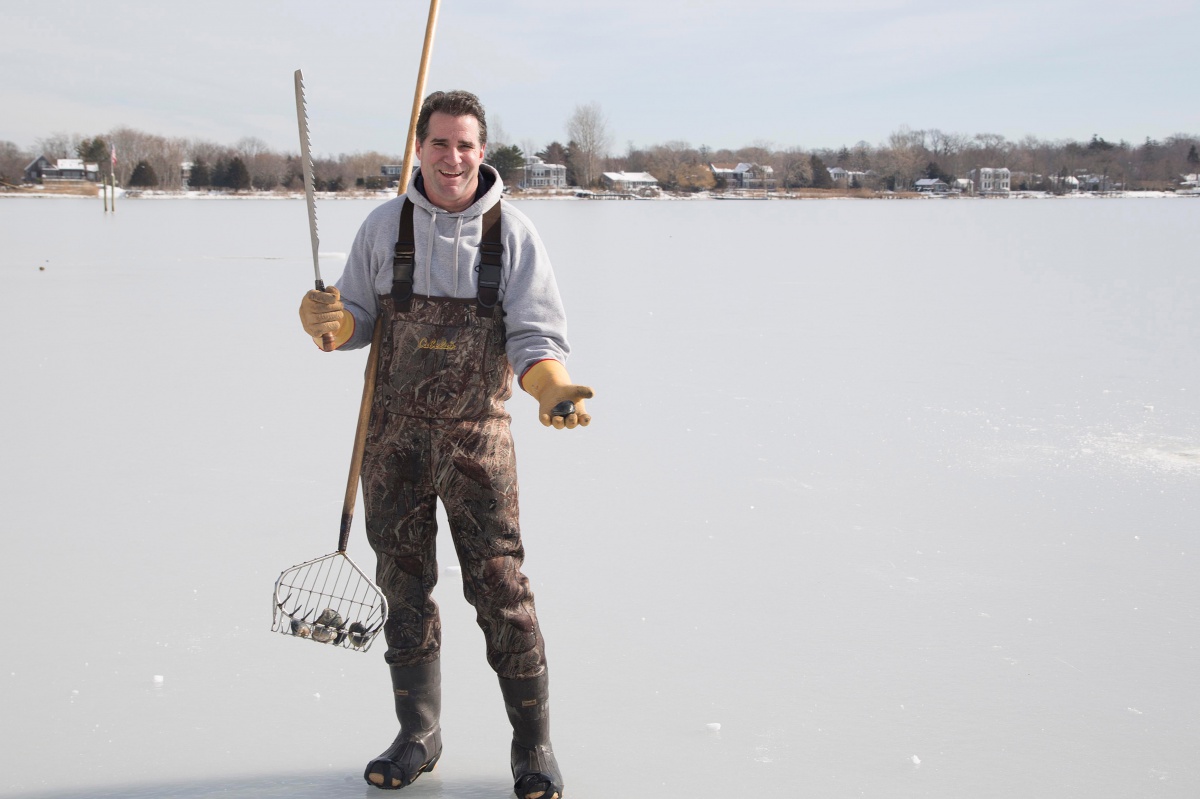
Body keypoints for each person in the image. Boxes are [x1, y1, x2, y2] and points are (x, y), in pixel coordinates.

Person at [298, 90, 591, 799]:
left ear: (481, 151)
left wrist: (551, 385)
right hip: (392, 439)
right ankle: (417, 734)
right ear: (419, 148)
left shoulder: (512, 234)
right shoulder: (383, 226)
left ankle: (534, 745)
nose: (451, 157)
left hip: (477, 443)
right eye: (439, 143)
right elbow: (356, 319)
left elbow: (534, 336)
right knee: (402, 585)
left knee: (501, 587)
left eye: (465, 144)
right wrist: (324, 323)